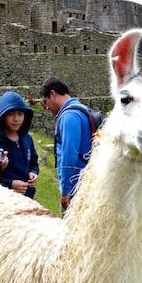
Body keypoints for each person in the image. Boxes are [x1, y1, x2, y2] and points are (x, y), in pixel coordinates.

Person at [40, 76, 92, 212]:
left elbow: (69, 155)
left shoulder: (69, 117)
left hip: (76, 188)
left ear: (52, 94)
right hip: (87, 183)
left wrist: (65, 191)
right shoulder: (83, 110)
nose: (46, 107)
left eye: (45, 101)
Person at [0, 91, 39, 198]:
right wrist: (10, 184)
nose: (16, 119)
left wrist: (33, 172)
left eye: (20, 114)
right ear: (2, 116)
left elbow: (34, 162)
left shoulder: (27, 139)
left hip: (27, 198)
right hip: (3, 200)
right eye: (11, 114)